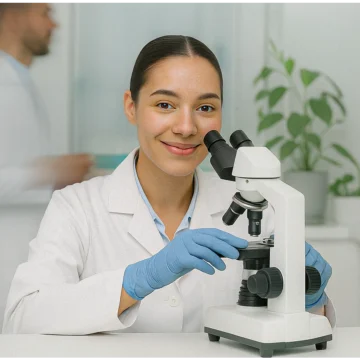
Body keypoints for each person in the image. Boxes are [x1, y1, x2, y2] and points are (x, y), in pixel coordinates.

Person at [2, 35, 334, 334]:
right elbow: (22, 318)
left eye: (205, 107)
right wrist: (136, 280)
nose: (187, 126)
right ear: (131, 107)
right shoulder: (76, 207)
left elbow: (300, 332)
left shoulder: (253, 206)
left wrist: (308, 297)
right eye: (165, 105)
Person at [0, 2, 92, 201]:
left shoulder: (19, 79)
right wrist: (50, 173)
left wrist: (57, 176)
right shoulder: (6, 83)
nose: (53, 25)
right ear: (14, 19)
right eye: (45, 14)